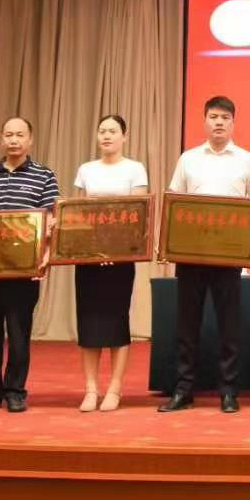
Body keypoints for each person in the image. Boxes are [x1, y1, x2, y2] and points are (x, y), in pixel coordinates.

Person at [159, 96, 250, 413]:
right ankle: (183, 389)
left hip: (230, 256)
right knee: (187, 325)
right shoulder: (188, 159)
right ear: (204, 121)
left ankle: (229, 391)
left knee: (229, 326)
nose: (219, 122)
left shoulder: (247, 160)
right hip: (192, 255)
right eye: (214, 116)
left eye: (225, 117)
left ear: (233, 123)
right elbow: (174, 201)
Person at [0, 117, 59, 414]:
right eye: (8, 135)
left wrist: (42, 246)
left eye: (19, 135)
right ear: (1, 139)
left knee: (19, 334)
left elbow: (50, 217)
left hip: (24, 268)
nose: (14, 140)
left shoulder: (45, 175)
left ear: (30, 140)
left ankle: (15, 391)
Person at [71, 114, 149, 413]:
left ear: (124, 137)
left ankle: (115, 388)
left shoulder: (135, 169)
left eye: (113, 131)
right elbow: (77, 214)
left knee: (117, 321)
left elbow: (138, 214)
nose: (106, 136)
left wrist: (114, 249)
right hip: (89, 258)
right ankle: (91, 389)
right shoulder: (86, 169)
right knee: (88, 322)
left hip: (120, 258)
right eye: (102, 130)